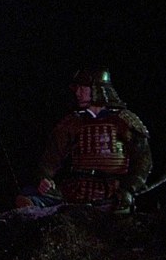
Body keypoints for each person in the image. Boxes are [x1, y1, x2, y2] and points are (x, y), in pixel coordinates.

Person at [16, 67, 152, 212]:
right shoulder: (72, 123)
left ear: (98, 89)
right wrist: (44, 179)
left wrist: (128, 189)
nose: (77, 92)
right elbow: (49, 163)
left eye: (83, 88)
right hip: (75, 194)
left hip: (112, 195)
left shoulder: (124, 121)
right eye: (77, 88)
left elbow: (143, 162)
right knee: (25, 200)